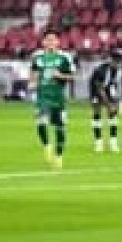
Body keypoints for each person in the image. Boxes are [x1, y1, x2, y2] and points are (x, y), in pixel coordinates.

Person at [29, 28, 76, 169]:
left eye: (53, 39)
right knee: (41, 121)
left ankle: (59, 156)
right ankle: (47, 145)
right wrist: (32, 83)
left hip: (58, 96)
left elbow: (73, 76)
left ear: (58, 42)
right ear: (43, 42)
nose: (50, 42)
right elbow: (33, 73)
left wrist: (60, 76)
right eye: (48, 39)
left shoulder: (64, 57)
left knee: (60, 126)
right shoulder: (37, 57)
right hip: (42, 96)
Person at [89, 49, 122, 153]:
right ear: (112, 60)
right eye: (118, 60)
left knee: (113, 114)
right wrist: (108, 105)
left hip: (111, 86)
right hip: (96, 88)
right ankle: (98, 142)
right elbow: (100, 89)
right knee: (97, 112)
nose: (120, 63)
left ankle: (113, 142)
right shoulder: (101, 70)